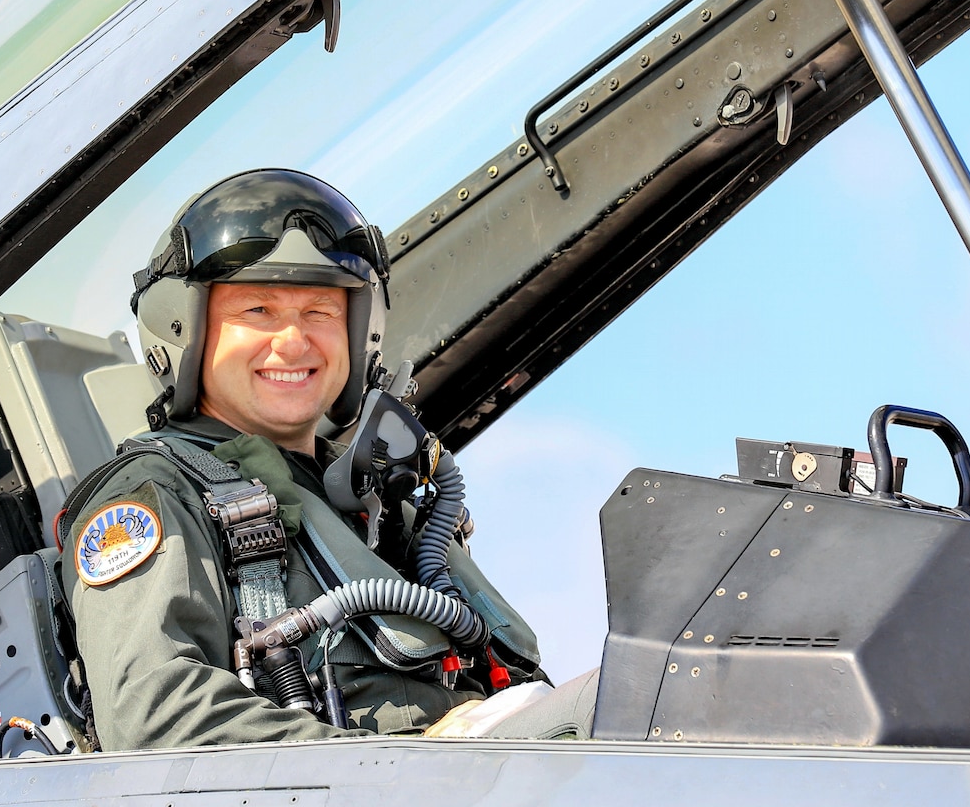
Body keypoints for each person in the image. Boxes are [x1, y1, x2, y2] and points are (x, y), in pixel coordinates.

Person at [59, 168, 597, 750]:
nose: (293, 341)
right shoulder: (153, 496)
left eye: (320, 312)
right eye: (258, 311)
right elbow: (155, 722)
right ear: (186, 331)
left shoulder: (375, 509)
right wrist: (401, 763)